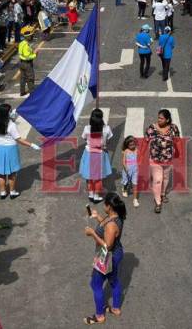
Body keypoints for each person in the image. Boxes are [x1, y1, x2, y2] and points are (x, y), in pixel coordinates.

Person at [85, 193, 127, 325]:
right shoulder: (116, 217)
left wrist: (92, 234)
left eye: (105, 204)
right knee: (114, 280)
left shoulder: (110, 225)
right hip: (117, 252)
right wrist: (98, 217)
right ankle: (115, 308)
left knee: (96, 285)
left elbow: (106, 245)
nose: (103, 206)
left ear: (109, 207)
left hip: (108, 256)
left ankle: (99, 316)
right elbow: (108, 225)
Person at [0, 104, 41, 199]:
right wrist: (31, 144)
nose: (12, 113)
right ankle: (12, 192)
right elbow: (19, 139)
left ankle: (2, 192)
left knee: (1, 172)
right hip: (10, 149)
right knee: (12, 172)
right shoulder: (11, 125)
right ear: (7, 113)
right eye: (10, 111)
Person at [144, 109, 181, 213]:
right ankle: (158, 202)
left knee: (165, 178)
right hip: (155, 159)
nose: (159, 120)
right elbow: (146, 140)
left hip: (168, 159)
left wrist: (175, 149)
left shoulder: (173, 128)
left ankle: (163, 194)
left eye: (161, 118)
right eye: (158, 117)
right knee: (158, 180)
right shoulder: (152, 128)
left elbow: (177, 140)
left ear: (167, 119)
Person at [79, 109, 114, 203]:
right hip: (100, 155)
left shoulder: (87, 128)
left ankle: (91, 193)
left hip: (89, 154)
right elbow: (110, 138)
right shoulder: (106, 129)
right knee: (98, 178)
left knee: (89, 176)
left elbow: (84, 138)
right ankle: (96, 195)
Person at [121, 136, 139, 208]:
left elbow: (140, 158)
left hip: (135, 170)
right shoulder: (126, 151)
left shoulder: (137, 150)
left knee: (135, 184)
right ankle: (124, 189)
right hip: (127, 170)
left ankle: (135, 199)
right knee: (126, 181)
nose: (132, 146)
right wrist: (126, 168)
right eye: (130, 145)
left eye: (133, 144)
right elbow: (123, 161)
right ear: (127, 145)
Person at [18, 28, 37, 97]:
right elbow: (27, 56)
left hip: (21, 63)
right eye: (31, 36)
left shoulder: (21, 43)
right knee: (30, 78)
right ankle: (32, 92)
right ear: (27, 37)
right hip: (27, 63)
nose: (32, 37)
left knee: (22, 78)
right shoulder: (26, 45)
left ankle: (22, 91)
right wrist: (35, 54)